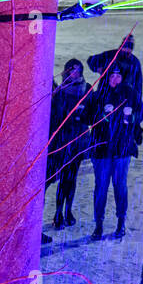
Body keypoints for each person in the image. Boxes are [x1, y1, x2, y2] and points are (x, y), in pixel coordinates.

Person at [83, 65, 143, 240]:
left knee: (120, 187)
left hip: (122, 149)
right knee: (101, 188)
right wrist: (102, 114)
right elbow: (87, 118)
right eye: (111, 76)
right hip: (102, 150)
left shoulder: (130, 93)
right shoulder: (97, 95)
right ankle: (99, 225)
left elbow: (142, 113)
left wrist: (131, 116)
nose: (114, 80)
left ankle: (121, 222)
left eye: (118, 76)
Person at [46, 58, 91, 229]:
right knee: (61, 176)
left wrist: (82, 117)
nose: (73, 74)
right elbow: (54, 116)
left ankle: (68, 210)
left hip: (78, 141)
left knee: (71, 179)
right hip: (62, 141)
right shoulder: (59, 91)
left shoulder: (86, 89)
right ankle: (58, 212)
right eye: (71, 71)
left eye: (76, 71)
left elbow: (91, 113)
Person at [88, 33, 143, 102]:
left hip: (123, 95)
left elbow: (138, 84)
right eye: (124, 48)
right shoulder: (110, 55)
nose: (126, 51)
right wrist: (97, 69)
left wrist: (137, 101)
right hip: (105, 92)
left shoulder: (134, 63)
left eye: (128, 49)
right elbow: (91, 60)